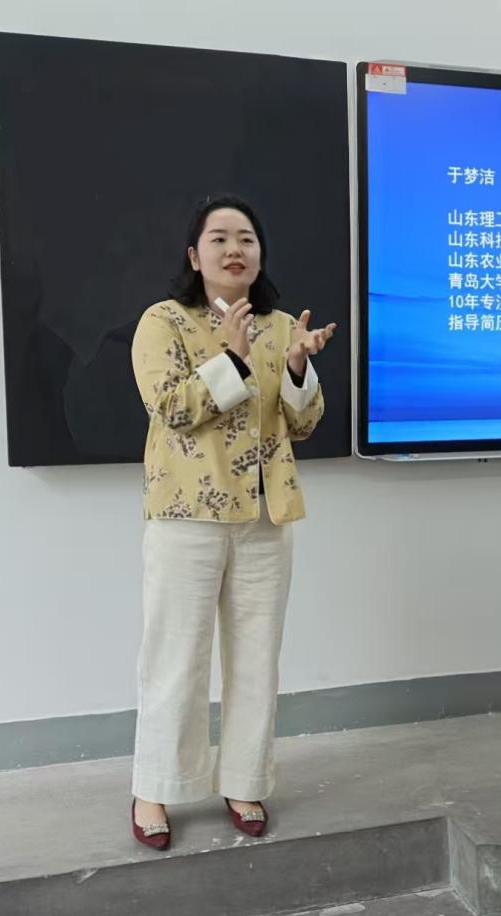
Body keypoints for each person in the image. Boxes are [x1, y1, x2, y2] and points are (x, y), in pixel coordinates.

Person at [127, 194, 336, 850]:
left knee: (256, 658)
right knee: (176, 655)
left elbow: (303, 423)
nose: (234, 249)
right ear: (195, 256)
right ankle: (155, 787)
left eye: (245, 237)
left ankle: (244, 781)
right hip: (187, 514)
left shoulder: (280, 326)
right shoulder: (164, 322)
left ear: (260, 253)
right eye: (218, 238)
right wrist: (234, 359)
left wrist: (297, 367)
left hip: (266, 516)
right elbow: (174, 410)